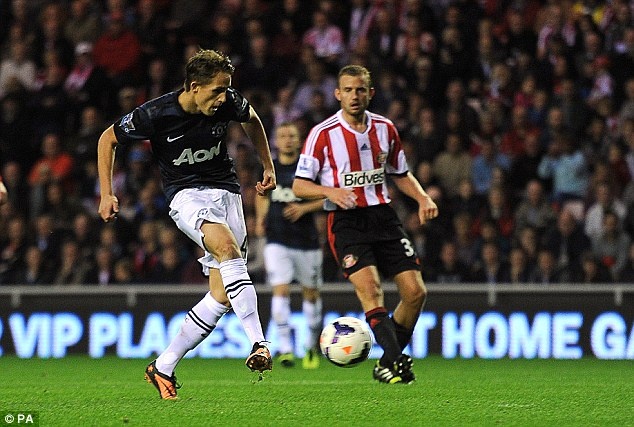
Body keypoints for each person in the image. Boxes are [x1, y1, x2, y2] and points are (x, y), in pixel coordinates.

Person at [97, 49, 276, 400]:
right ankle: (260, 342)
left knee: (222, 295)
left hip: (227, 193)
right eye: (217, 90)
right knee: (226, 247)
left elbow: (252, 119)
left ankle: (163, 366)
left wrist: (267, 165)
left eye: (227, 89)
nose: (223, 97)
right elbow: (108, 138)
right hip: (186, 195)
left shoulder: (229, 102)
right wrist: (107, 193)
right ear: (194, 87)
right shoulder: (156, 113)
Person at [292, 65, 438, 384]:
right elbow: (300, 185)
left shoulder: (385, 129)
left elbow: (400, 173)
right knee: (371, 291)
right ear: (338, 94)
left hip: (383, 217)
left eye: (360, 90)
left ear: (370, 93)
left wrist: (423, 198)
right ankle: (397, 360)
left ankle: (387, 361)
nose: (354, 96)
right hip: (346, 222)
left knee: (415, 293)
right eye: (348, 90)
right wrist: (330, 191)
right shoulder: (322, 134)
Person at [255, 122, 325, 369]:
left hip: (307, 241)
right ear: (275, 141)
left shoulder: (308, 169)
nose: (287, 140)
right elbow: (261, 194)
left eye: (291, 136)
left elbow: (327, 195)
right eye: (282, 135)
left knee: (311, 295)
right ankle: (285, 348)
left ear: (299, 140)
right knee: (281, 290)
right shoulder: (269, 168)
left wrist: (304, 208)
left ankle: (310, 346)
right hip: (277, 239)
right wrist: (261, 219)